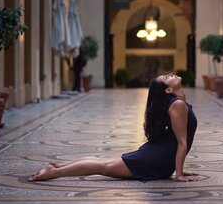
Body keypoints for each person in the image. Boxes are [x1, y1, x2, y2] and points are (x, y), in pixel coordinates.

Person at [28, 72, 199, 182]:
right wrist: (179, 175)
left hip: (157, 157)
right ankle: (54, 173)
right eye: (166, 77)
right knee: (102, 166)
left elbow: (178, 141)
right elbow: (182, 143)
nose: (170, 74)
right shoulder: (177, 104)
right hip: (155, 160)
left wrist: (180, 170)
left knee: (103, 163)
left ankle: (58, 167)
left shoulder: (177, 102)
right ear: (168, 90)